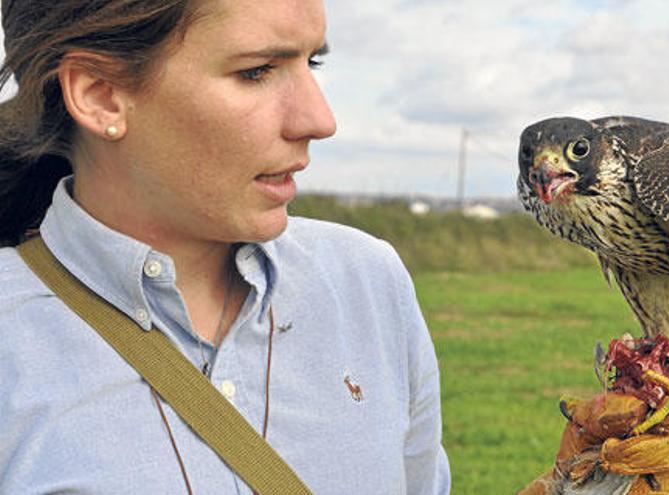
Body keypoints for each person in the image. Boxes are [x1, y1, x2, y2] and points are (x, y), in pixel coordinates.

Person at [0, 0, 451, 493]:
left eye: (312, 62)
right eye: (257, 71)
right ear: (100, 95)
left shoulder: (367, 283)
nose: (320, 120)